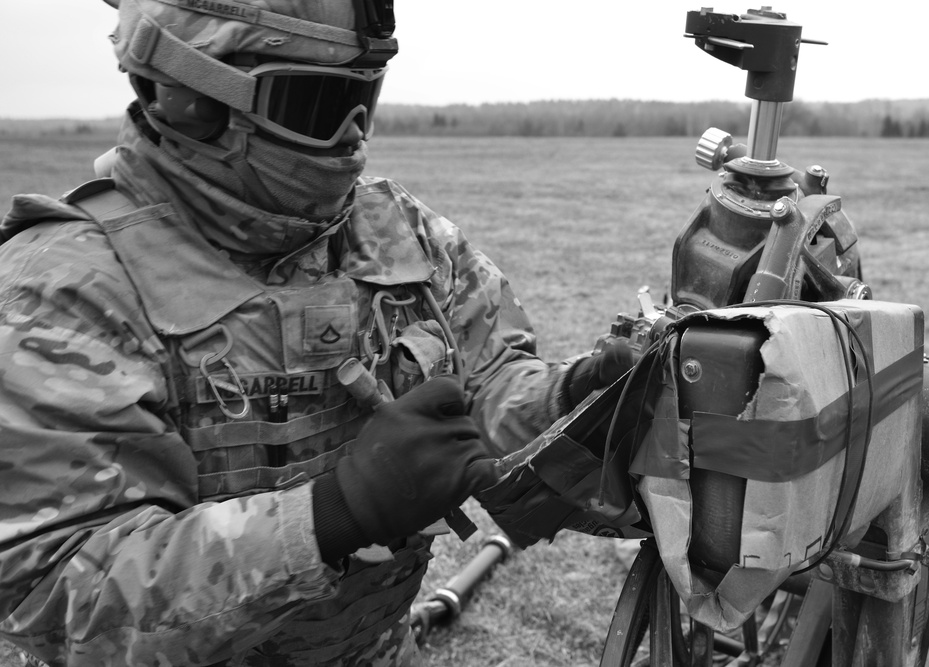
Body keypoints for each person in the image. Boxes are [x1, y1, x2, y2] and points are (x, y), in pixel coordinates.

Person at [0, 1, 632, 664]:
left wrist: (568, 397)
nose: (350, 135)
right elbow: (52, 596)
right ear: (189, 101)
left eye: (365, 98)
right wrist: (331, 516)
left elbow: (485, 391)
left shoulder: (400, 235)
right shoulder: (63, 288)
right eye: (315, 103)